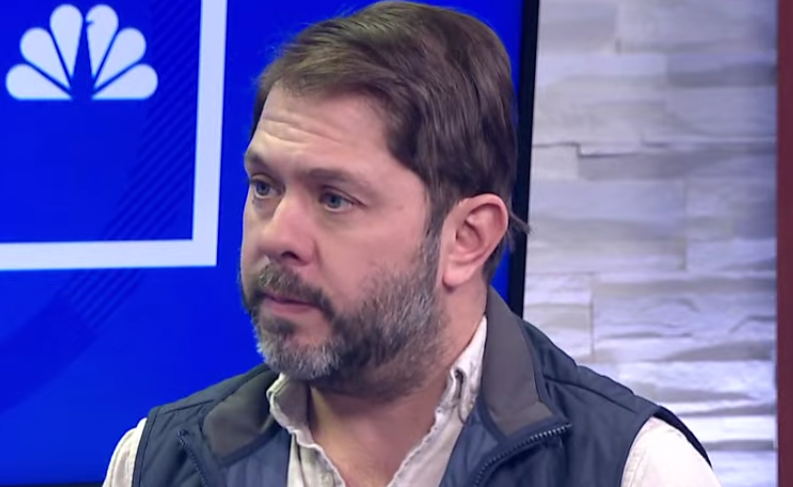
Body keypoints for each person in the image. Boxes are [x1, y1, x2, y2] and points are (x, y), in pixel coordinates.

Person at [102, 1, 723, 486]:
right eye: (265, 187)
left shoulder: (634, 471)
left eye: (334, 198)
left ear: (467, 238)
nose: (278, 236)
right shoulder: (156, 463)